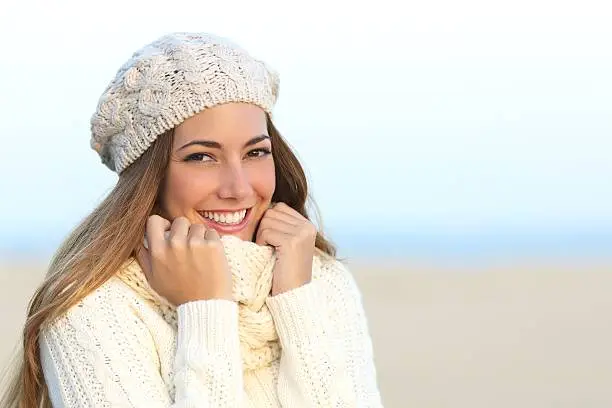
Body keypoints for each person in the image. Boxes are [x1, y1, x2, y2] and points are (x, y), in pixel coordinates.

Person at [0, 32, 383, 407]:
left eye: (255, 152)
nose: (238, 187)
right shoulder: (90, 311)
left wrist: (298, 302)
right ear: (149, 177)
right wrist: (205, 308)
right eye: (202, 156)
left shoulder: (318, 281)